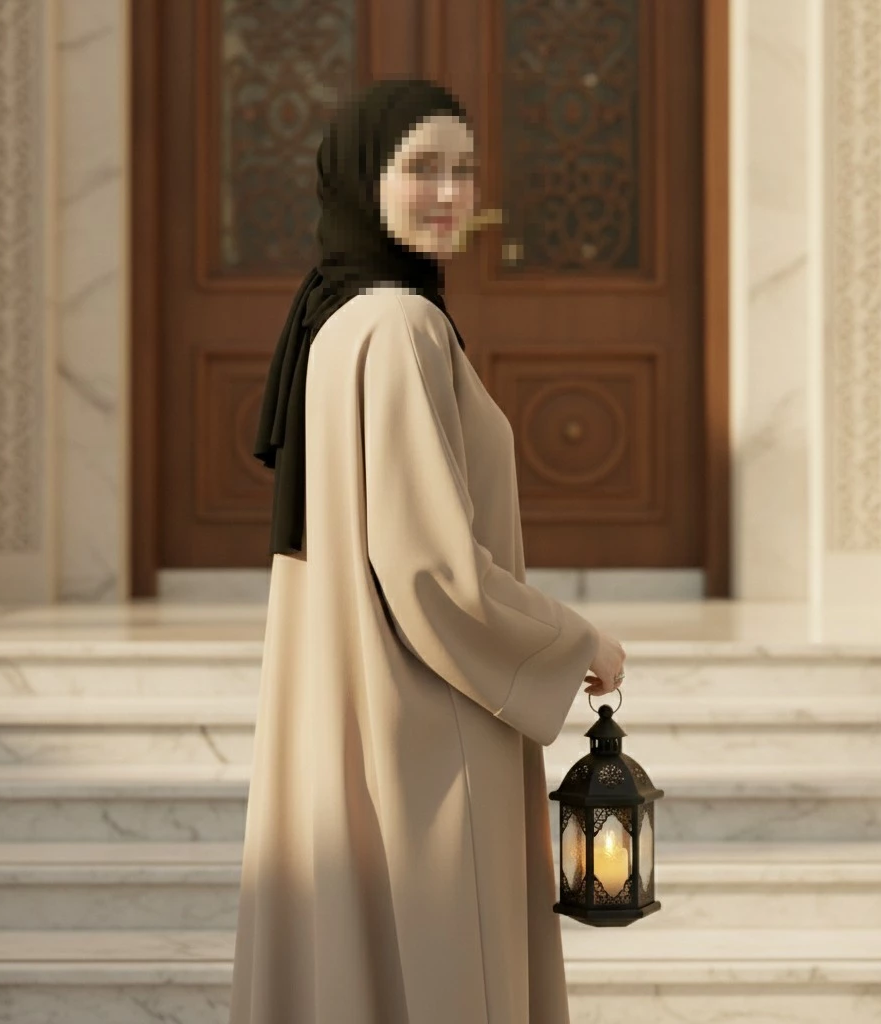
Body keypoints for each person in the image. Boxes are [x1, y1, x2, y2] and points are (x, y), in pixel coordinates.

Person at [231, 78, 626, 1024]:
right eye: (421, 169)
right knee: (448, 968)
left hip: (361, 711)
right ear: (365, 180)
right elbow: (434, 572)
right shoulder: (400, 325)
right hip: (426, 724)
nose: (452, 193)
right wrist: (576, 644)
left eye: (465, 169)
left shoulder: (338, 320)